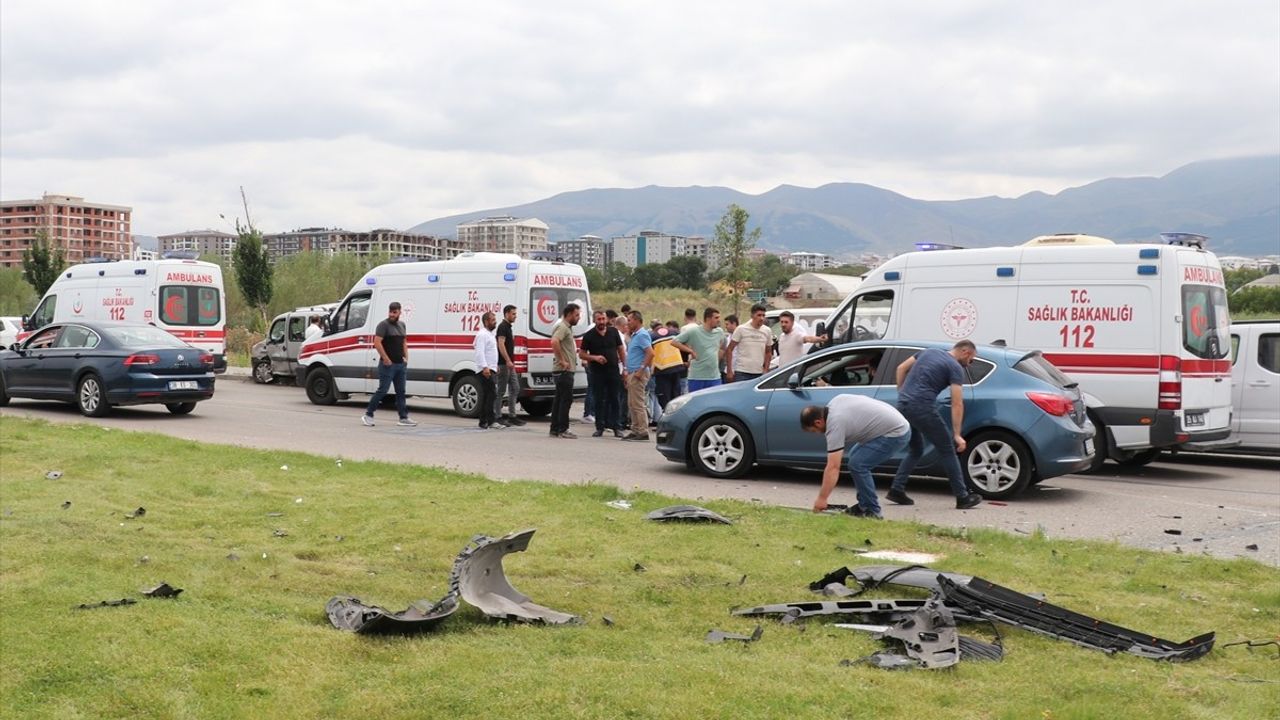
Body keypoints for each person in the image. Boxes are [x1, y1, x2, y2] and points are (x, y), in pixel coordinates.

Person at [888, 340, 984, 510]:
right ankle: (962, 497)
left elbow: (900, 368)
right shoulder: (955, 368)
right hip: (922, 407)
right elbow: (957, 403)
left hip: (904, 405)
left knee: (916, 449)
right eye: (971, 361)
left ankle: (897, 489)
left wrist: (902, 393)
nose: (969, 365)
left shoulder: (929, 351)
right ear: (966, 352)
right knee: (947, 449)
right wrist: (957, 434)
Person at [801, 396, 912, 519]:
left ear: (818, 422)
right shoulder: (834, 402)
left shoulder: (835, 424)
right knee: (855, 460)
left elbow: (833, 467)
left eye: (814, 431)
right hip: (894, 424)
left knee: (858, 465)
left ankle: (873, 511)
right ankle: (863, 506)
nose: (817, 434)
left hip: (896, 433)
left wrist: (822, 499)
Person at [361, 302, 417, 427]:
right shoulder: (383, 325)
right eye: (390, 312)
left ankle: (403, 418)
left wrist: (406, 357)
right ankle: (368, 415)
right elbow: (377, 342)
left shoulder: (402, 325)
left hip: (400, 365)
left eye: (394, 312)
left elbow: (404, 342)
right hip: (387, 365)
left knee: (401, 391)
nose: (392, 314)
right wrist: (385, 358)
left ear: (399, 312)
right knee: (382, 390)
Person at [579, 309, 626, 437]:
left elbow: (621, 350)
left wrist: (625, 368)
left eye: (603, 319)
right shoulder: (589, 335)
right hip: (597, 372)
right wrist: (594, 358)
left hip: (613, 370)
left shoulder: (613, 332)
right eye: (599, 319)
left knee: (614, 398)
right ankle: (600, 426)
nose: (602, 322)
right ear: (594, 320)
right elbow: (581, 354)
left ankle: (617, 426)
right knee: (599, 399)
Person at [671, 307, 726, 393]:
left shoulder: (719, 332)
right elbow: (674, 342)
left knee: (714, 402)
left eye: (719, 317)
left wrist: (716, 359)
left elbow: (722, 346)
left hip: (714, 377)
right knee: (696, 403)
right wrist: (690, 351)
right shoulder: (694, 331)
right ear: (708, 319)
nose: (719, 320)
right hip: (697, 376)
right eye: (716, 318)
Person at [549, 303, 581, 439]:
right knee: (566, 400)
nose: (578, 318)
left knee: (559, 399)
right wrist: (562, 360)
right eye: (576, 315)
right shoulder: (563, 327)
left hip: (563, 370)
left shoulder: (566, 327)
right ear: (568, 315)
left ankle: (555, 428)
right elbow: (554, 342)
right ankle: (563, 428)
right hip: (564, 370)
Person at [621, 310, 654, 441]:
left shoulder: (642, 335)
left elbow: (650, 353)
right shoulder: (635, 335)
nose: (628, 323)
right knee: (632, 403)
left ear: (636, 320)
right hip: (632, 372)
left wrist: (641, 369)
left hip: (637, 373)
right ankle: (635, 429)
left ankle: (642, 431)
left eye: (629, 320)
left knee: (638, 403)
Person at [493, 304, 526, 426]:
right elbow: (500, 344)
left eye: (515, 314)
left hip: (509, 364)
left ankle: (512, 416)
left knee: (515, 388)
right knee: (501, 391)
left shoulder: (508, 327)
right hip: (503, 364)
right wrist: (507, 360)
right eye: (513, 314)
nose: (515, 316)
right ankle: (497, 416)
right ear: (506, 314)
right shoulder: (502, 327)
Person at [725, 304, 773, 382]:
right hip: (742, 372)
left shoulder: (767, 331)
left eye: (763, 315)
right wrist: (729, 370)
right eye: (759, 315)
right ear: (752, 316)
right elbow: (729, 349)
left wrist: (766, 369)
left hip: (759, 373)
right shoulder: (741, 329)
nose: (761, 318)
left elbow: (768, 352)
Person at [473, 311, 500, 429]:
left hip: (491, 368)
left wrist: (495, 365)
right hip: (485, 370)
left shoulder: (490, 334)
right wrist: (485, 367)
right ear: (486, 322)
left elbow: (491, 352)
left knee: (487, 395)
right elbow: (479, 353)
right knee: (491, 394)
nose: (495, 322)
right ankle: (490, 421)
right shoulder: (482, 334)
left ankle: (483, 421)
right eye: (493, 320)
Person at [651, 325, 684, 411]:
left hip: (662, 370)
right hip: (676, 367)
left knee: (664, 399)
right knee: (676, 397)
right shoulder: (674, 333)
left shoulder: (652, 336)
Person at [720, 314, 738, 383]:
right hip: (728, 370)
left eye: (727, 324)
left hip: (736, 370)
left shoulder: (740, 337)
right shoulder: (728, 338)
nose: (726, 327)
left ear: (733, 324)